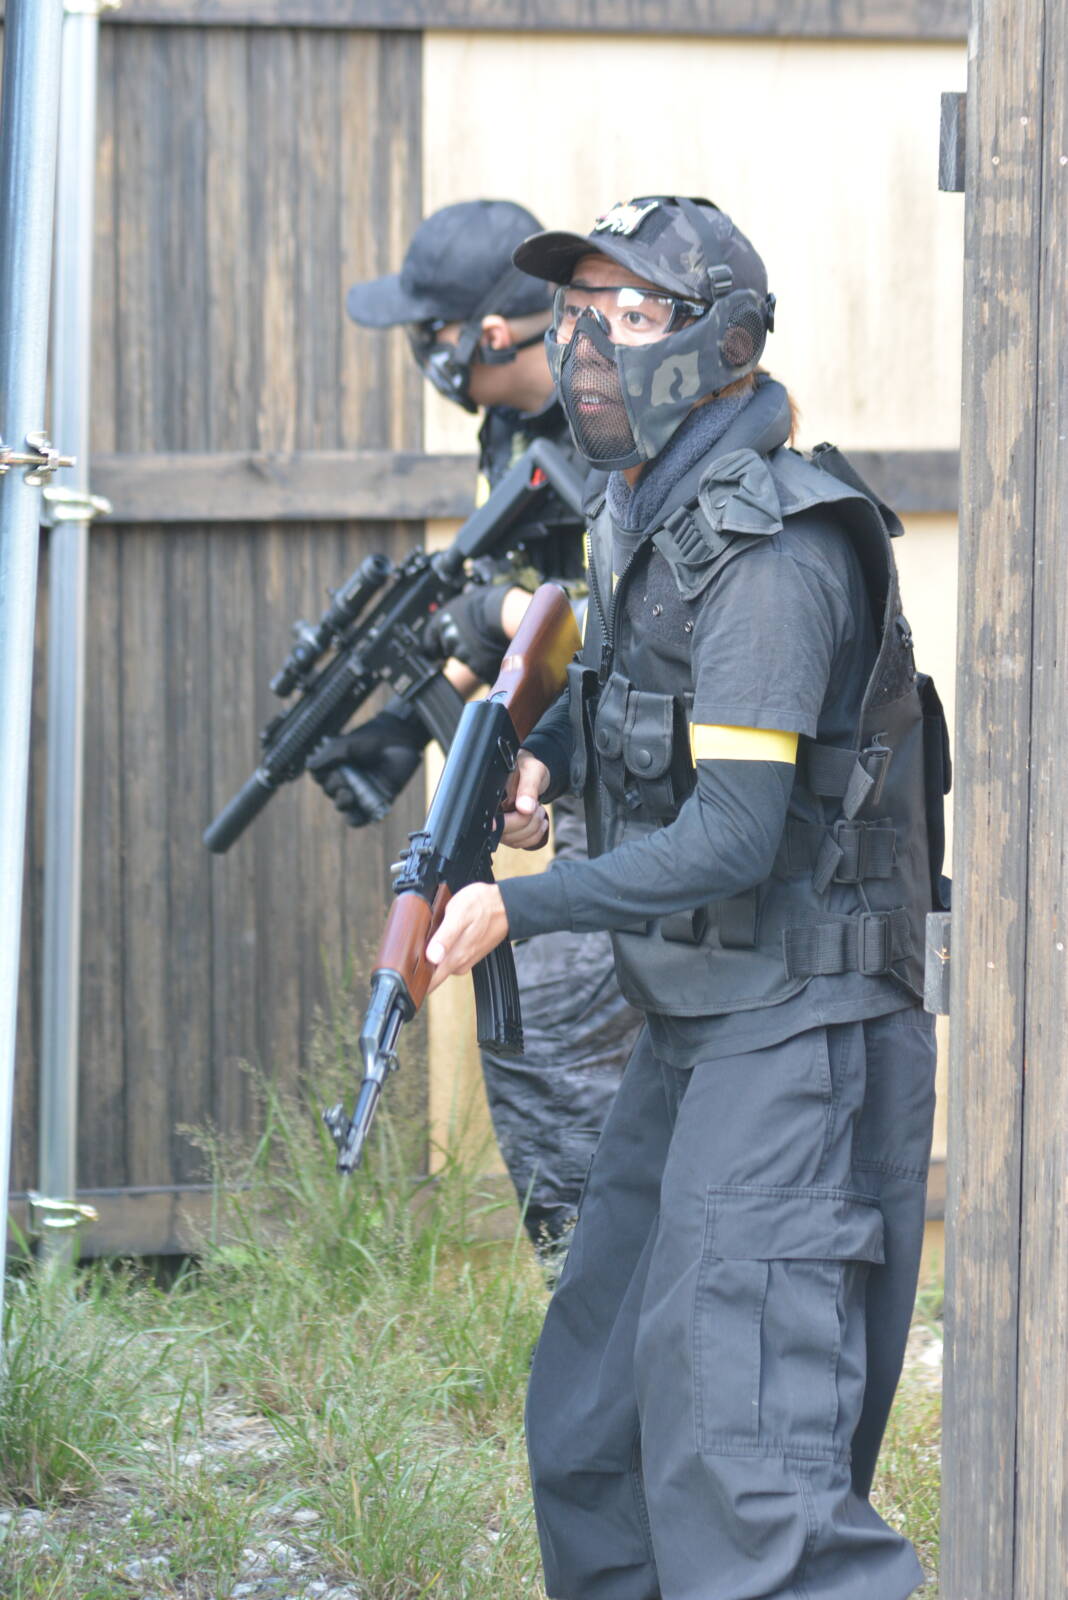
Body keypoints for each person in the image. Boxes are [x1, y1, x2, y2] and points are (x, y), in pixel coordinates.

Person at [425, 195, 948, 1599]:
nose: (589, 344)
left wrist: (523, 906)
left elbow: (733, 834)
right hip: (698, 1021)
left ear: (725, 346)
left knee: (745, 1466)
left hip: (795, 1033)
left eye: (635, 313)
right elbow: (620, 699)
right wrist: (543, 759)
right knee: (591, 1422)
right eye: (577, 311)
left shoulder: (770, 551)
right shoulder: (642, 514)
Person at [308, 198, 641, 1252]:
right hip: (573, 770)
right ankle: (600, 1275)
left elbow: (611, 622)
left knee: (542, 1022)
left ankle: (594, 1273)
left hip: (655, 778)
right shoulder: (507, 434)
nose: (426, 355)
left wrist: (490, 614)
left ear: (490, 333)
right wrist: (410, 720)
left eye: (431, 332)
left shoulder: (616, 425)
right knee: (549, 1026)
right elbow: (522, 627)